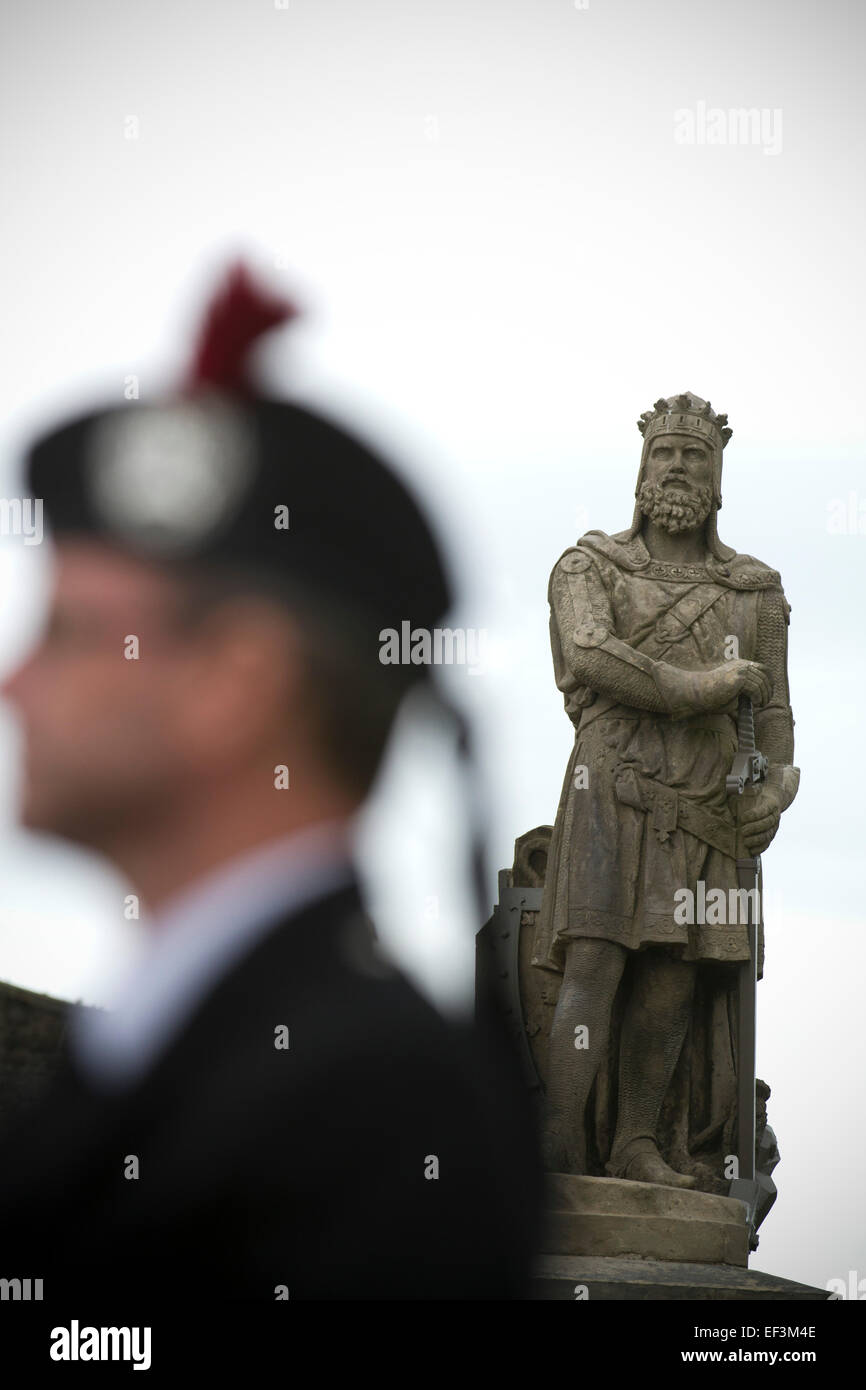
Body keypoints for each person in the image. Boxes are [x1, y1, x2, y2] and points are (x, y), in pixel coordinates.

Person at [0, 263, 542, 1302]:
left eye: (67, 632)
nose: (13, 682)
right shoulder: (178, 1060)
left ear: (236, 684)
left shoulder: (374, 1114)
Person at [534, 393, 799, 1191]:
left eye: (695, 456)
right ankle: (554, 1148)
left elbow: (777, 711)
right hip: (610, 788)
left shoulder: (755, 592)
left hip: (710, 805)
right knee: (597, 964)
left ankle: (636, 1145)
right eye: (664, 454)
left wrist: (777, 792)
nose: (678, 467)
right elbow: (592, 657)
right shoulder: (588, 567)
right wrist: (705, 685)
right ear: (641, 468)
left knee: (673, 976)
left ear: (718, 479)